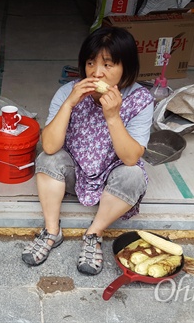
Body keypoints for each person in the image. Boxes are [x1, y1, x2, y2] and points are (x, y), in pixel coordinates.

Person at [21, 26, 153, 275]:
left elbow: (130, 157)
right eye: (91, 63)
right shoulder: (68, 92)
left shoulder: (140, 100)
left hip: (112, 177)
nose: (97, 72)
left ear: (126, 67)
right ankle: (52, 231)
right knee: (48, 159)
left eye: (108, 65)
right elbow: (49, 145)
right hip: (75, 171)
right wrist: (70, 104)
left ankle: (94, 234)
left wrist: (113, 117)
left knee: (134, 174)